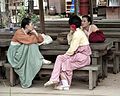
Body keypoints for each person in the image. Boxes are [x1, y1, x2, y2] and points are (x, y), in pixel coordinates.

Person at [44, 15, 92, 90]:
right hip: (79, 57)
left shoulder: (78, 34)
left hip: (82, 57)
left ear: (72, 25)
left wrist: (65, 56)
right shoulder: (76, 32)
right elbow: (70, 42)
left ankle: (55, 79)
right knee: (64, 64)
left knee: (60, 59)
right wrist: (71, 32)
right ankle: (65, 84)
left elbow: (72, 48)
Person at [7, 18, 51, 88]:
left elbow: (40, 40)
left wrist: (36, 33)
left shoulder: (30, 32)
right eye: (31, 24)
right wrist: (35, 37)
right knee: (30, 44)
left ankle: (39, 59)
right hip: (15, 54)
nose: (33, 26)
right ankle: (40, 59)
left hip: (22, 53)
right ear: (26, 26)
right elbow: (30, 40)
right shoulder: (19, 32)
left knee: (31, 45)